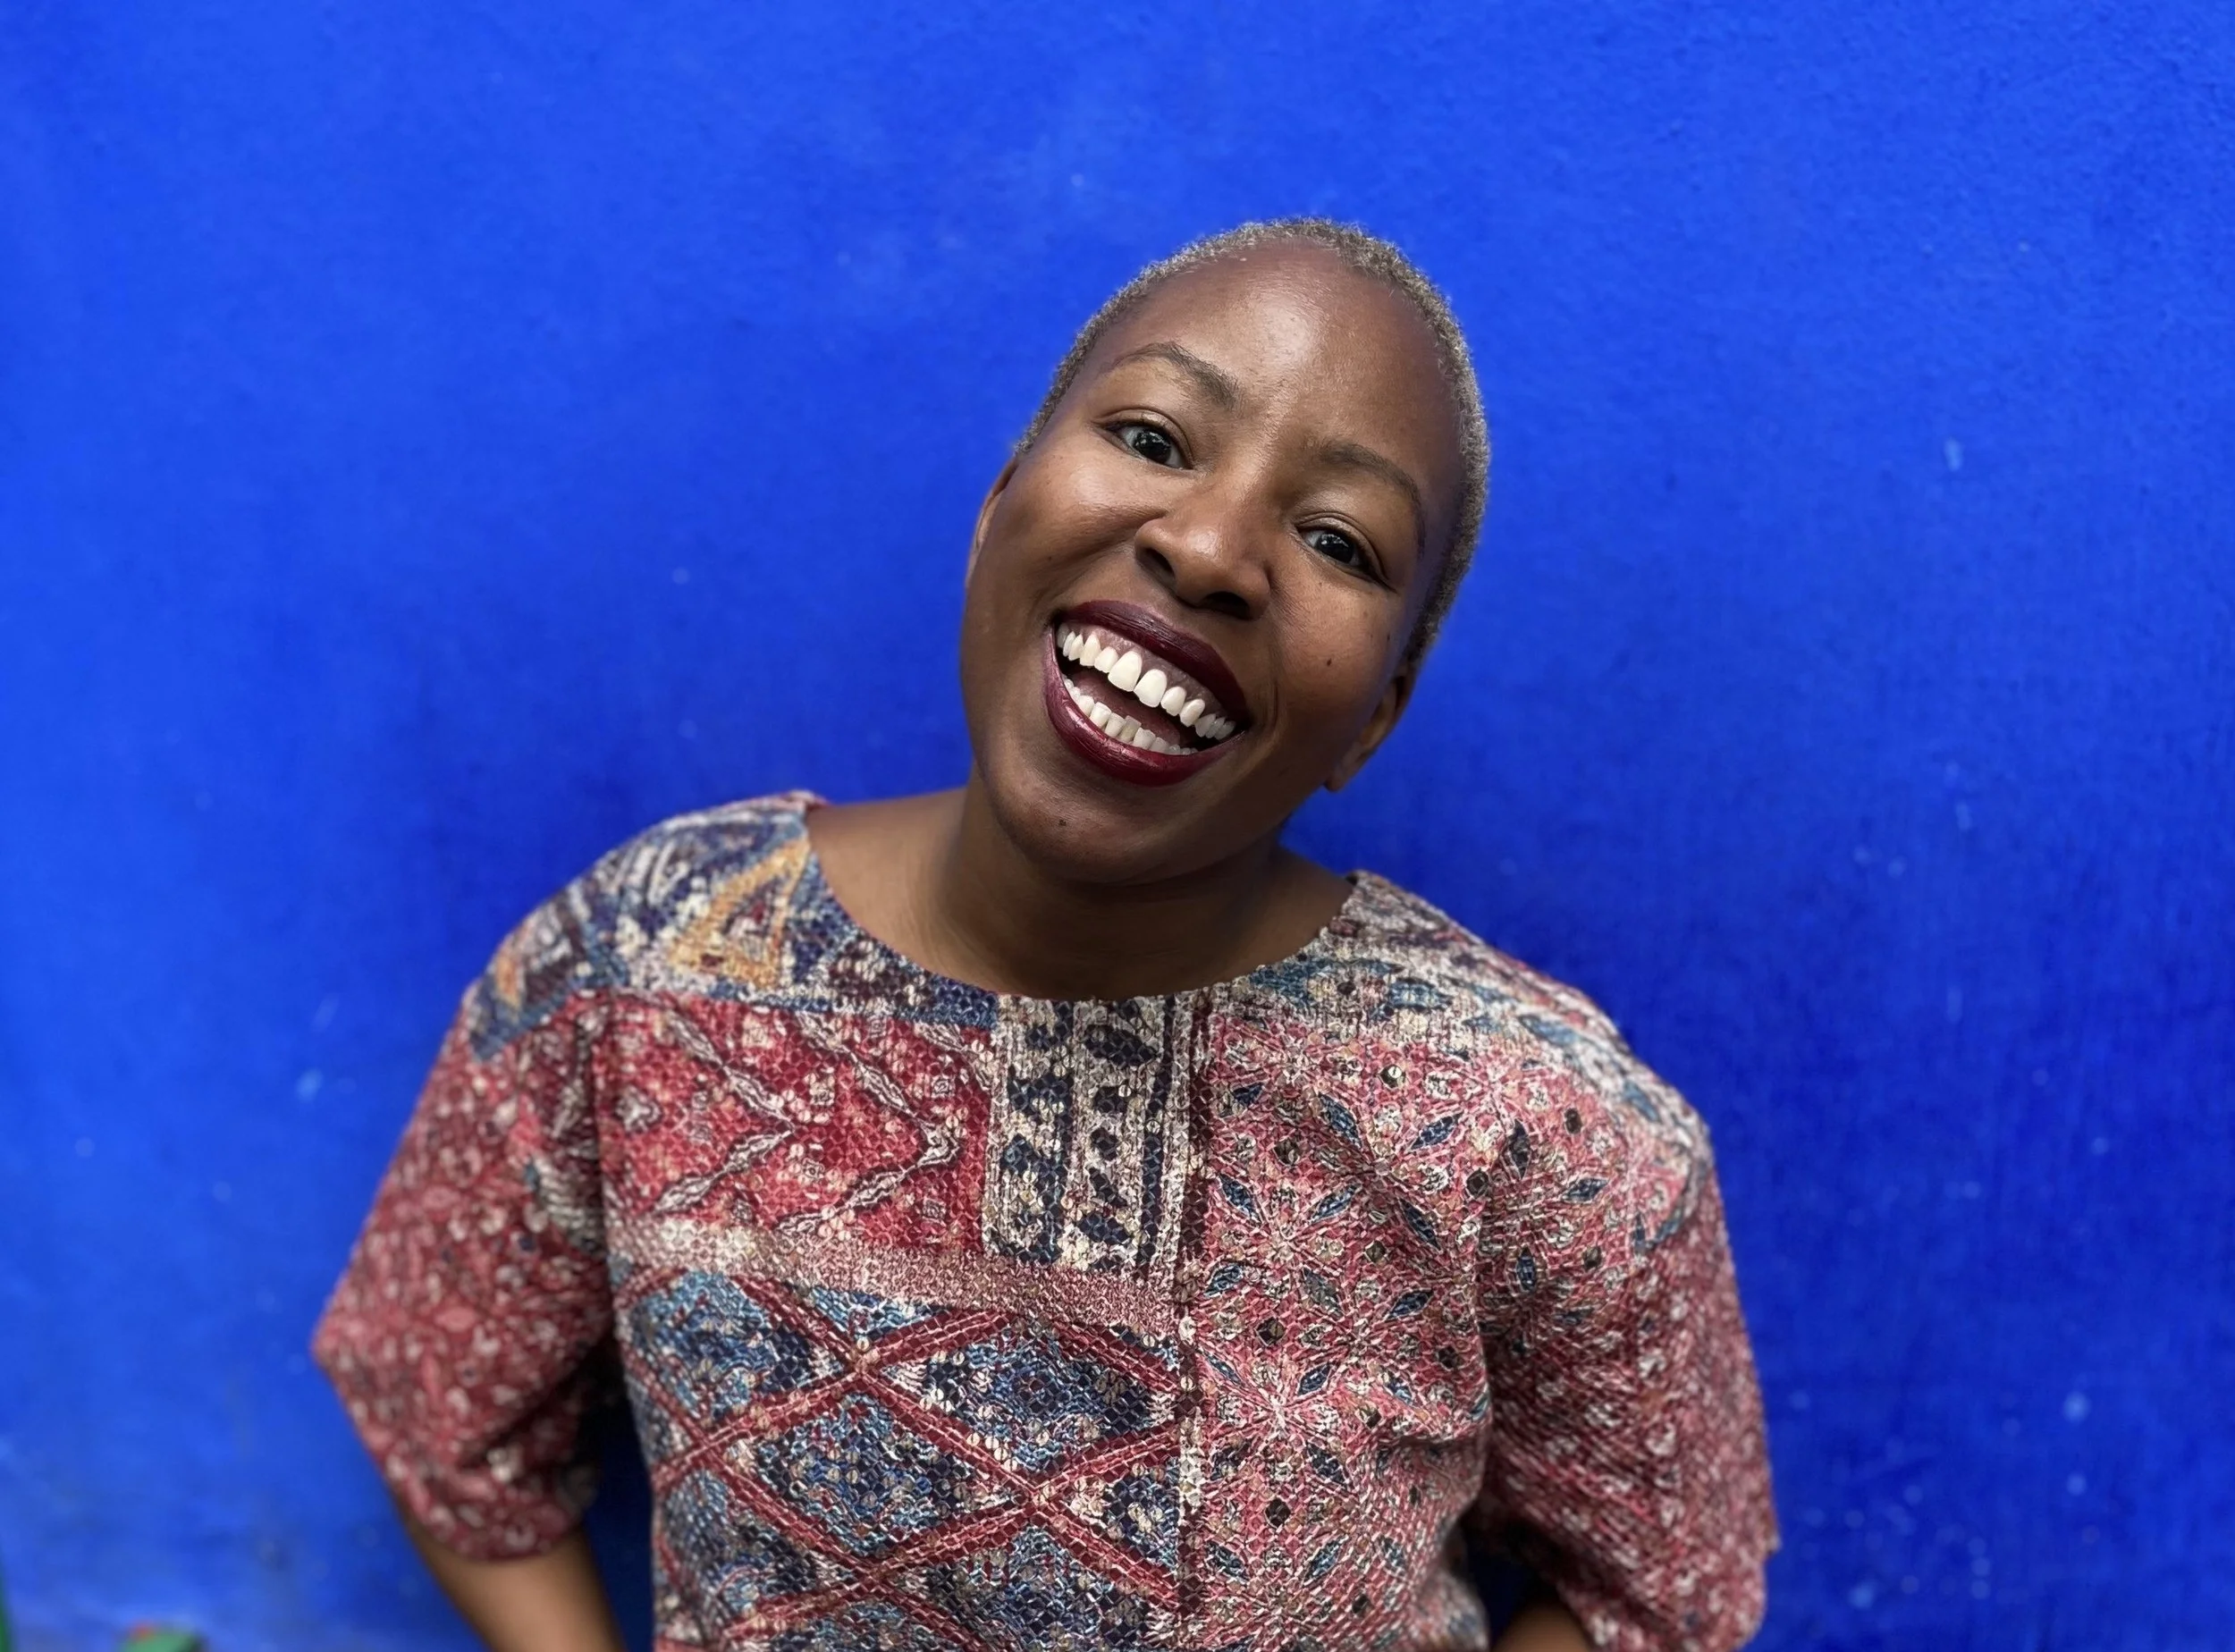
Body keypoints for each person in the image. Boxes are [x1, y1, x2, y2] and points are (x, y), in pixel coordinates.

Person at [315, 218, 1776, 1652]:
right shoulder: (644, 962)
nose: (1208, 546)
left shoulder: (1540, 1132)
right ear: (997, 510)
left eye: (1337, 538)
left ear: (1374, 720)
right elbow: (435, 1390)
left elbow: (1653, 1588)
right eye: (1152, 437)